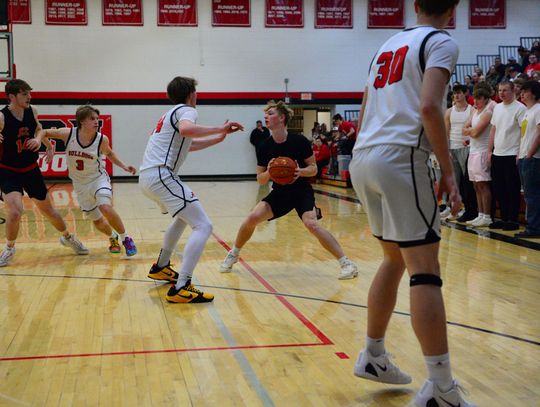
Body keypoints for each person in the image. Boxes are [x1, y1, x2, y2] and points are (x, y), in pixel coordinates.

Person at [349, 1, 476, 406]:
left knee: (393, 259)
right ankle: (441, 387)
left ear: (416, 4)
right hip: (400, 156)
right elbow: (428, 106)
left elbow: (366, 106)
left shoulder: (386, 45)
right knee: (425, 270)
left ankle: (373, 355)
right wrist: (449, 172)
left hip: (363, 156)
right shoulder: (441, 41)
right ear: (452, 10)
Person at [220, 100, 358, 280]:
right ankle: (234, 253)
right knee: (252, 217)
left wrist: (300, 172)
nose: (266, 117)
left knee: (311, 224)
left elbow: (313, 168)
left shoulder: (299, 141)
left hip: (301, 191)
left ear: (282, 118)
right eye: (265, 114)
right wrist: (270, 171)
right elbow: (260, 179)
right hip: (280, 193)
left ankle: (347, 263)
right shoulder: (264, 146)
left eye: (270, 114)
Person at [139, 76, 243, 303]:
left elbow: (187, 145)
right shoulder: (187, 111)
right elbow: (187, 130)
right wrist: (220, 127)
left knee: (184, 218)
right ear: (191, 94)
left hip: (148, 176)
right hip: (161, 174)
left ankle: (161, 266)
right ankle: (182, 286)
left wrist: (218, 138)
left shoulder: (169, 114)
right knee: (204, 225)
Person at [0, 79, 88, 267]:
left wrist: (45, 143)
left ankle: (68, 237)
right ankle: (9, 248)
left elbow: (39, 129)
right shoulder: (1, 117)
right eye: (24, 94)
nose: (29, 97)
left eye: (29, 93)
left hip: (30, 169)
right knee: (15, 211)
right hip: (8, 171)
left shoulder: (32, 111)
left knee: (49, 211)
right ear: (12, 97)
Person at [36, 105, 138, 256]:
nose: (96, 121)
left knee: (105, 207)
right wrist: (48, 146)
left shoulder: (101, 139)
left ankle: (126, 238)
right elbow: (42, 131)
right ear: (82, 121)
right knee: (98, 221)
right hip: (80, 184)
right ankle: (113, 237)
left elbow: (109, 153)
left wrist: (124, 166)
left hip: (98, 179)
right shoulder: (68, 134)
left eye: (97, 118)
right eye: (92, 118)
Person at [487, 82, 526, 230]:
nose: (501, 93)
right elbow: (493, 130)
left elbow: (524, 132)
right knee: (499, 189)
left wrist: (520, 152)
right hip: (497, 154)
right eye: (499, 90)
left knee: (512, 188)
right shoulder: (497, 107)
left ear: (513, 90)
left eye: (505, 90)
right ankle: (503, 218)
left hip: (512, 154)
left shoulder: (520, 108)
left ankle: (513, 219)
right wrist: (489, 151)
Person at [444, 84, 477, 222]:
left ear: (465, 94)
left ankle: (469, 208)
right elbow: (446, 132)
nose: (456, 96)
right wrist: (447, 149)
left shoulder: (472, 110)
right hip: (453, 147)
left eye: (459, 93)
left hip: (466, 148)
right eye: (454, 93)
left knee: (467, 181)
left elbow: (473, 128)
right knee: (454, 181)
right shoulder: (449, 112)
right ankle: (454, 210)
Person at [462, 86, 493, 227]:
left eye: (479, 99)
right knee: (475, 185)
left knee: (483, 184)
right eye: (475, 98)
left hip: (482, 151)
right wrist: (470, 130)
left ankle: (487, 216)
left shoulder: (487, 113)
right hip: (473, 150)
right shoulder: (475, 112)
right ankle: (480, 214)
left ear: (486, 99)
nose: (476, 101)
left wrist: (470, 131)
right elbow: (464, 128)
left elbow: (475, 133)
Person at [515, 80, 540, 238]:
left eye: (525, 91)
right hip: (525, 157)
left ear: (534, 93)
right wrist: (521, 154)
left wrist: (530, 154)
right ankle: (533, 226)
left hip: (534, 159)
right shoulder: (527, 111)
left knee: (532, 195)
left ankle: (534, 228)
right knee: (529, 194)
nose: (522, 94)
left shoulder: (538, 109)